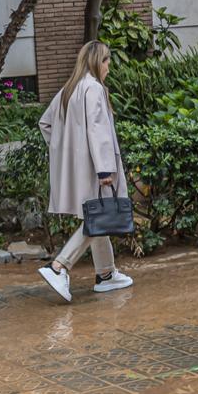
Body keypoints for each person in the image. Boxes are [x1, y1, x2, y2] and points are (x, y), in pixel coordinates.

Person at [36, 41, 134, 303]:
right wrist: (104, 170)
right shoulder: (93, 88)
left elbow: (45, 123)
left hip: (81, 167)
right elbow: (98, 131)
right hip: (96, 167)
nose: (109, 68)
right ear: (96, 61)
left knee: (98, 216)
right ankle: (59, 266)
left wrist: (68, 153)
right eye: (106, 62)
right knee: (96, 218)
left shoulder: (71, 89)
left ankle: (106, 274)